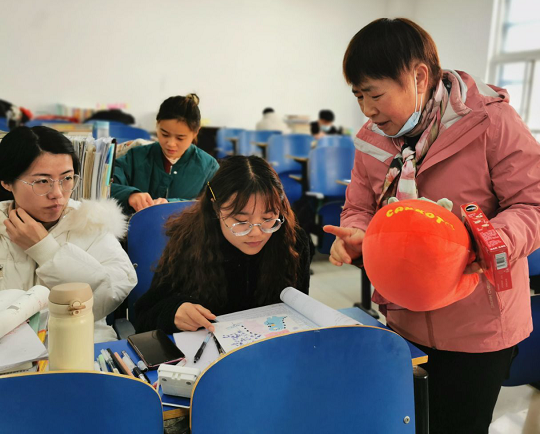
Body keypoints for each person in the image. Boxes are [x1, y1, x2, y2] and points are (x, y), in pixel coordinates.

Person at [324, 18, 540, 434]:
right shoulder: (373, 140)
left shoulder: (490, 122)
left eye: (375, 94)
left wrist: (480, 240)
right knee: (409, 423)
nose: (367, 109)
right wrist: (360, 233)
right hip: (403, 315)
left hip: (478, 325)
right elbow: (359, 205)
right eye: (359, 96)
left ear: (419, 77)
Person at [134, 155, 311, 334]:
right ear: (216, 209)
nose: (257, 233)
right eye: (241, 221)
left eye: (268, 218)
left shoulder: (293, 242)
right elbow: (143, 316)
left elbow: (300, 310)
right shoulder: (189, 242)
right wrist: (173, 312)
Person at [0, 126, 137, 342]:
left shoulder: (91, 222)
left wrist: (46, 251)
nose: (57, 194)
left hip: (79, 344)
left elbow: (109, 295)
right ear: (7, 182)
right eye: (42, 181)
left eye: (67, 178)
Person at [111, 93, 219, 215]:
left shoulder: (209, 167)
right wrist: (130, 194)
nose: (171, 144)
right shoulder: (136, 156)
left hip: (185, 228)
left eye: (180, 138)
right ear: (157, 125)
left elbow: (215, 205)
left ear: (195, 132)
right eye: (164, 134)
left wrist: (172, 205)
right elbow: (105, 184)